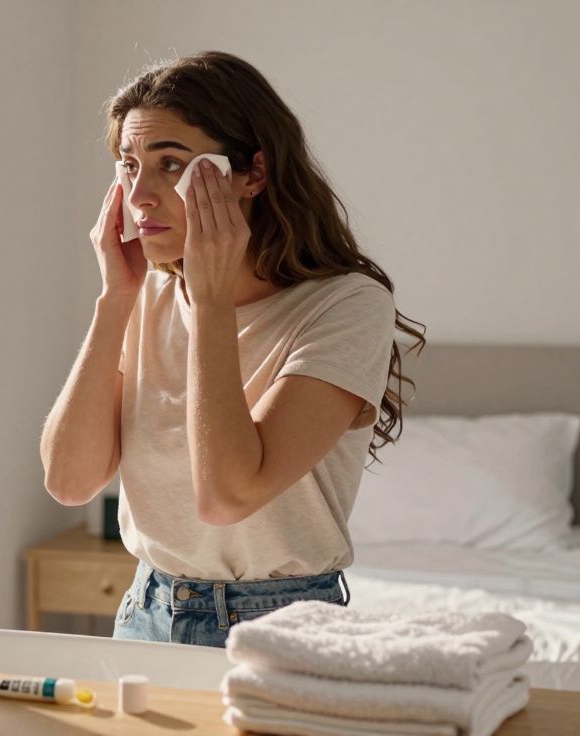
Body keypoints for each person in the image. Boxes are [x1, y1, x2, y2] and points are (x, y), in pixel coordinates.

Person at [38, 51, 427, 648]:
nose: (140, 194)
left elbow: (227, 496)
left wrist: (212, 302)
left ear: (253, 173)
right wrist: (115, 298)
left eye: (170, 163)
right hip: (147, 610)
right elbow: (68, 481)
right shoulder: (148, 294)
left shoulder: (346, 306)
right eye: (128, 165)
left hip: (283, 624)